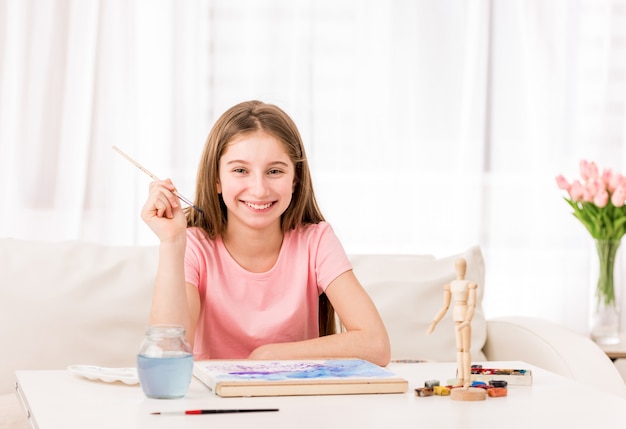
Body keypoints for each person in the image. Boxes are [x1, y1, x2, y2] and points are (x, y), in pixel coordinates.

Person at [141, 100, 391, 367]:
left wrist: (269, 355)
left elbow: (376, 345)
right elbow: (167, 355)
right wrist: (171, 242)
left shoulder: (316, 242)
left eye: (274, 171)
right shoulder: (194, 247)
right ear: (216, 179)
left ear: (295, 178)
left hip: (294, 404)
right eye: (240, 170)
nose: (259, 189)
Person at [427, 258, 477, 389]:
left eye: (462, 266)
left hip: (465, 316)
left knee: (466, 349)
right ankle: (461, 378)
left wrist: (467, 320)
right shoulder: (450, 285)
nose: (460, 269)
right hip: (456, 316)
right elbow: (445, 306)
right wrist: (434, 322)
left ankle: (467, 379)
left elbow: (472, 305)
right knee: (459, 350)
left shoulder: (470, 284)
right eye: (458, 266)